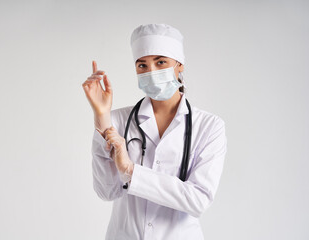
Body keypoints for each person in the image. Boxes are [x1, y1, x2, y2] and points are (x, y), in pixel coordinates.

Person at [82, 23, 227, 240]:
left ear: (179, 65)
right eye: (142, 66)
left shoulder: (209, 126)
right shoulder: (117, 121)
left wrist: (130, 170)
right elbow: (107, 191)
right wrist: (102, 116)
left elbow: (198, 200)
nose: (151, 72)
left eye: (160, 62)